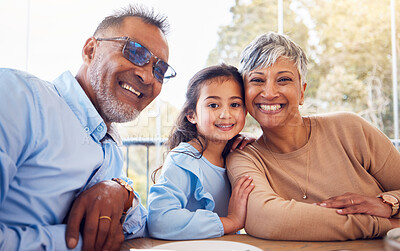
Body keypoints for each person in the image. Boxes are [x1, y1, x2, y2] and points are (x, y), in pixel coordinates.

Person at [0, 4, 176, 251]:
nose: (147, 77)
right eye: (135, 52)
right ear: (90, 50)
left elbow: (140, 226)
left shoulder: (110, 147)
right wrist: (79, 242)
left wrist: (122, 193)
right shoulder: (18, 96)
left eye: (160, 70)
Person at [226, 32, 400, 241]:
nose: (270, 92)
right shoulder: (243, 157)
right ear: (244, 93)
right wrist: (387, 224)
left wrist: (388, 203)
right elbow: (269, 219)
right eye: (257, 80)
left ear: (302, 92)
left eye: (283, 80)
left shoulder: (350, 129)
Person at [147, 64, 255, 240]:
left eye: (235, 104)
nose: (225, 114)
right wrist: (231, 222)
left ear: (245, 111)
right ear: (192, 115)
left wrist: (259, 146)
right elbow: (159, 219)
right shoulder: (184, 158)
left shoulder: (237, 154)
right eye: (213, 105)